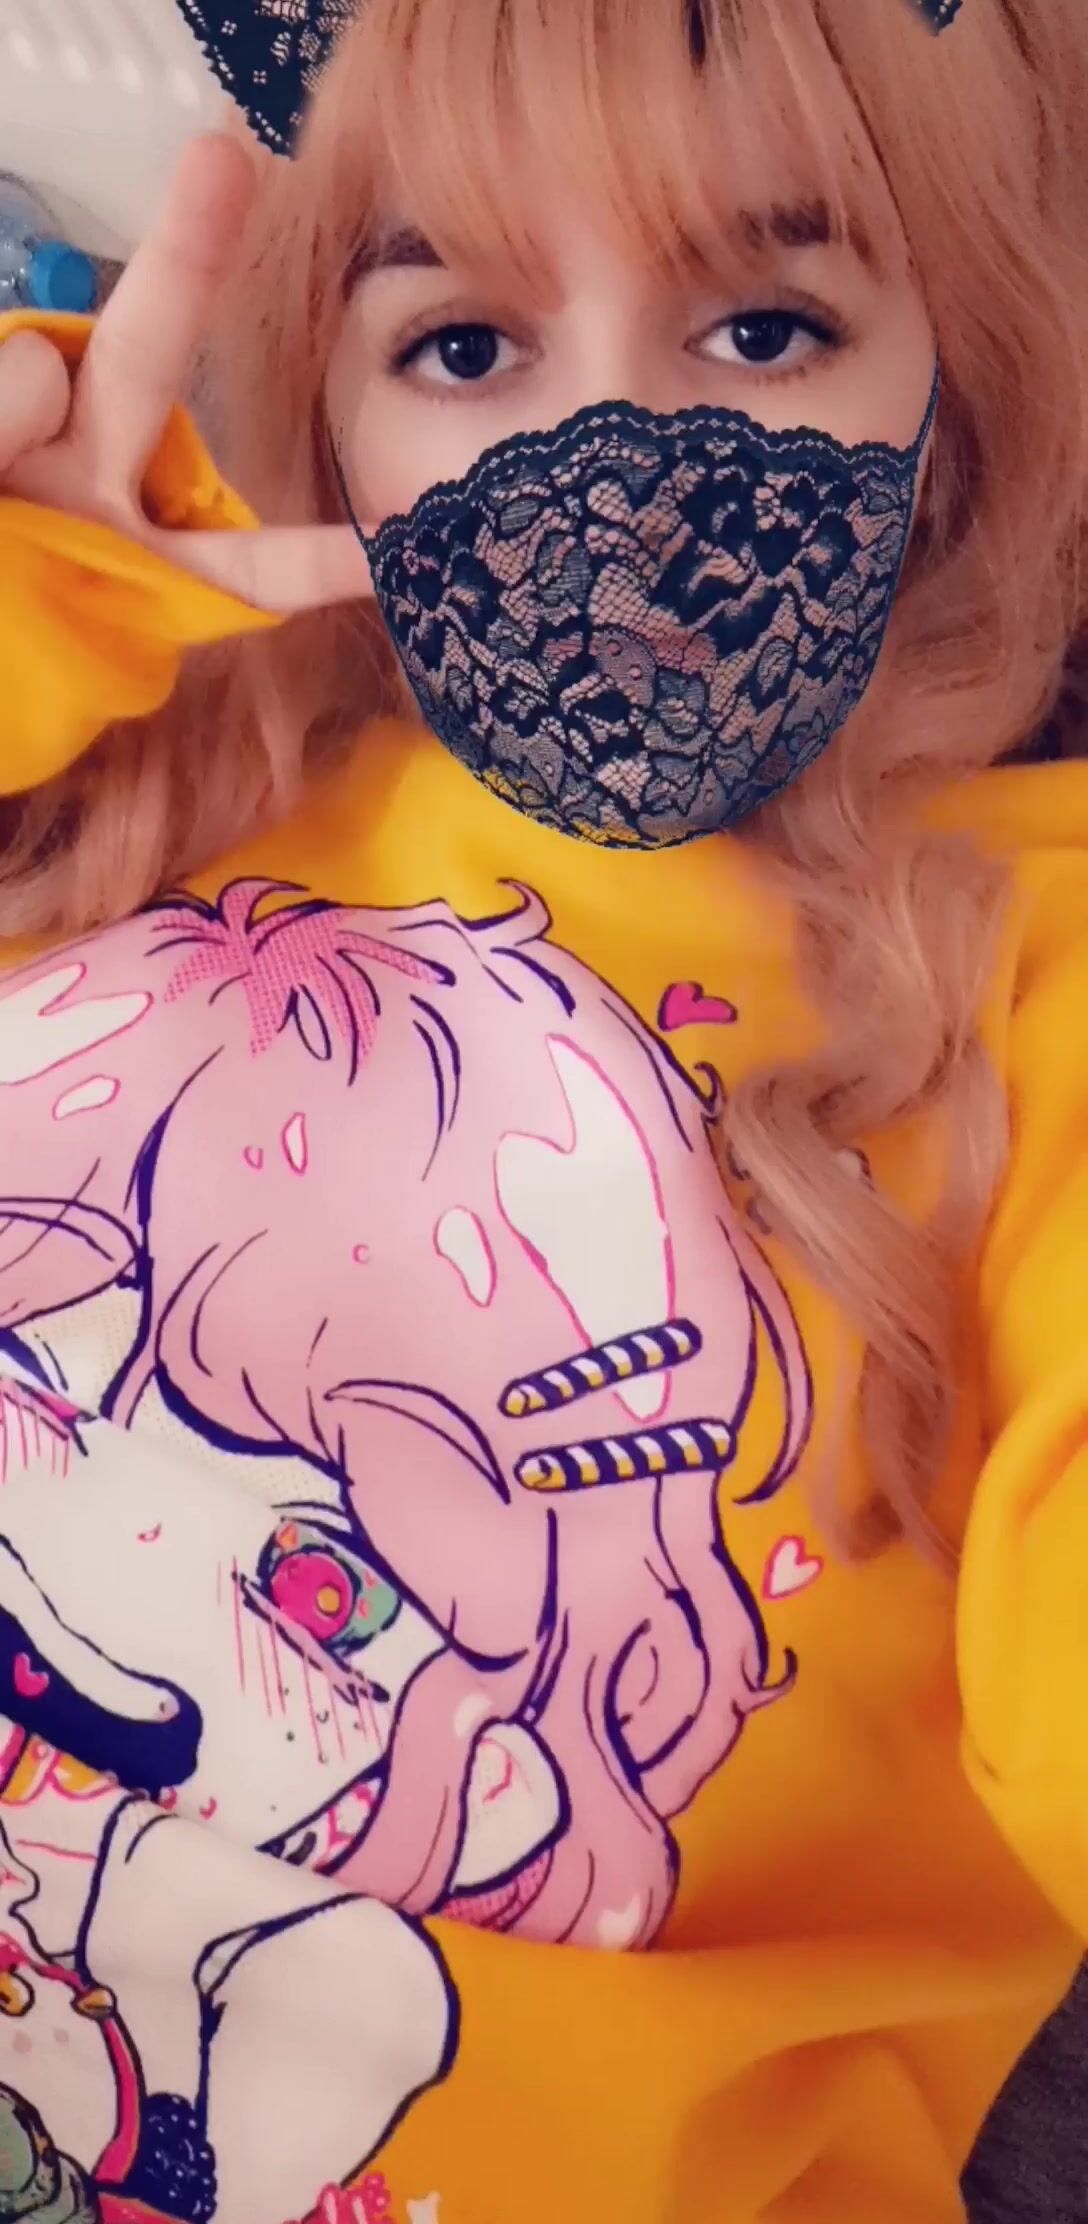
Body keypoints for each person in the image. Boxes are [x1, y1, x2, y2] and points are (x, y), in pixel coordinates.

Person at [0, 1, 1084, 2219]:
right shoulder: (130, 770)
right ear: (330, 399)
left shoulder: (1038, 965)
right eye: (465, 344)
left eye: (766, 327)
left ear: (954, 379)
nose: (618, 466)